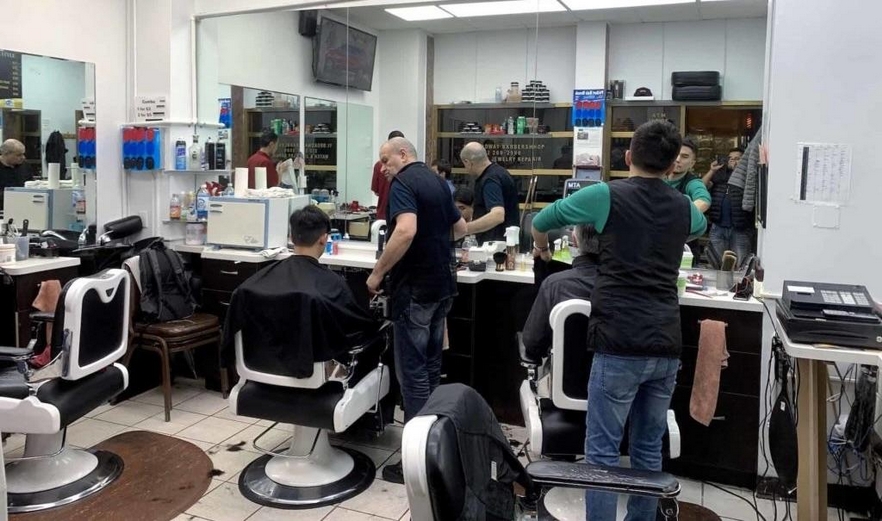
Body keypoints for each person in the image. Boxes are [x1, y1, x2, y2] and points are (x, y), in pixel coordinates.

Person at [531, 120, 707, 521]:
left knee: (602, 453)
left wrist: (542, 250)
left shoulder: (605, 195)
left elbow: (542, 222)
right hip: (665, 343)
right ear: (670, 166)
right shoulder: (682, 206)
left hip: (619, 341)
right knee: (647, 446)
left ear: (629, 157)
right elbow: (699, 224)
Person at [366, 137, 468, 484]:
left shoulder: (404, 183)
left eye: (386, 160)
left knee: (412, 374)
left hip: (416, 291)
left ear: (403, 154)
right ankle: (435, 448)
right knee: (430, 368)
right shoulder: (439, 182)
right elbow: (460, 228)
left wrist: (378, 272)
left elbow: (405, 230)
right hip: (443, 287)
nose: (383, 168)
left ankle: (417, 462)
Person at [223, 205, 379, 378]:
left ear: (291, 237)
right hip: (313, 378)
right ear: (323, 239)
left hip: (260, 370)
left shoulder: (251, 286)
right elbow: (354, 330)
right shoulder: (331, 285)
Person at [521, 225, 599, 361]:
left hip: (564, 378)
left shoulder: (554, 285)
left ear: (574, 241)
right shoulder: (625, 287)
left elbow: (533, 343)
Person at [702, 148, 753, 266]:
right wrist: (712, 170)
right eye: (730, 158)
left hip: (740, 228)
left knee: (741, 264)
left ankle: (738, 285)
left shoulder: (748, 176)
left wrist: (740, 169)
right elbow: (702, 185)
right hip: (718, 227)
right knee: (718, 263)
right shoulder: (719, 175)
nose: (733, 161)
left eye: (737, 158)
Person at [459, 142, 519, 243]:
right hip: (506, 242)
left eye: (464, 164)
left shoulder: (490, 180)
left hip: (495, 245)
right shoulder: (500, 173)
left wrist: (464, 229)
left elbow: (497, 215)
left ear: (468, 162)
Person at [667, 138, 711, 213]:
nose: (677, 159)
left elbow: (703, 200)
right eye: (675, 154)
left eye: (684, 156)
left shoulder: (693, 183)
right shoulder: (657, 175)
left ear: (692, 164)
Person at [371, 130, 404, 221]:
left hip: (383, 214)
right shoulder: (405, 166)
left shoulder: (378, 165)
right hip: (400, 215)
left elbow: (376, 191)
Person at [0, 139, 33, 212]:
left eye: (23, 154)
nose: (23, 157)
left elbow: (31, 185)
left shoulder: (25, 166)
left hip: (23, 207)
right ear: (6, 154)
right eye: (19, 155)